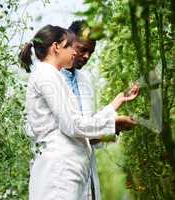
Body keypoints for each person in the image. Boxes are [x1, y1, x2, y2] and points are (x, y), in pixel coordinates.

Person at [19, 24, 139, 200]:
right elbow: (73, 124)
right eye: (71, 46)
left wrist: (116, 102)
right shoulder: (48, 76)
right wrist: (112, 124)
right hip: (59, 169)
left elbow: (80, 122)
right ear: (56, 47)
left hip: (70, 168)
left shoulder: (54, 75)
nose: (76, 53)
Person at [61, 20, 128, 200]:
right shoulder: (51, 79)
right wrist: (112, 125)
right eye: (82, 49)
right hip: (61, 172)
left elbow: (89, 133)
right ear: (66, 42)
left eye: (91, 52)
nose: (87, 56)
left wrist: (116, 119)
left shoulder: (85, 80)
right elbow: (74, 128)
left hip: (85, 171)